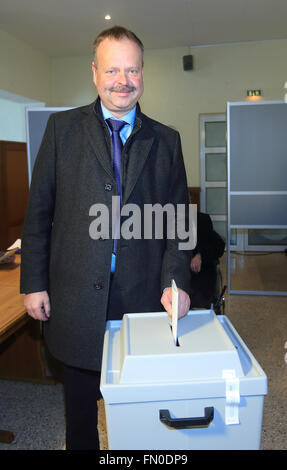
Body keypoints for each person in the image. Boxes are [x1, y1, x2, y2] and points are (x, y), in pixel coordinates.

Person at [20, 25, 192, 450]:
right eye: (113, 70)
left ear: (143, 74)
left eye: (132, 70)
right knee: (80, 412)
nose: (123, 81)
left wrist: (177, 282)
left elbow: (179, 222)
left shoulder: (166, 141)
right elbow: (39, 213)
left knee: (141, 408)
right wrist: (34, 283)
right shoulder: (62, 131)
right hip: (76, 296)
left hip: (142, 296)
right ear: (95, 73)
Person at [190, 212, 225, 310]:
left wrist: (200, 255)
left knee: (200, 297)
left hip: (200, 272)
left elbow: (219, 245)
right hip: (175, 273)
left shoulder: (200, 219)